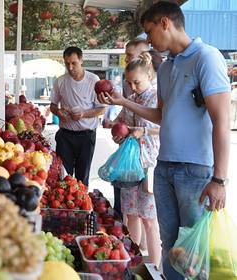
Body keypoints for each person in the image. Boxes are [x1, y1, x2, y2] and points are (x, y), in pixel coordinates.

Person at [98, 2, 230, 279]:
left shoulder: (207, 58)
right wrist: (123, 101)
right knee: (169, 245)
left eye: (149, 31)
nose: (147, 39)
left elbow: (221, 120)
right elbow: (161, 115)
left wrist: (219, 180)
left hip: (196, 171)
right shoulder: (168, 68)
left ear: (165, 23)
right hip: (164, 167)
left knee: (195, 253)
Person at [113, 52, 161, 267]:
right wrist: (118, 133)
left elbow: (164, 127)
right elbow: (117, 122)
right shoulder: (129, 100)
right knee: (130, 213)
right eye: (129, 82)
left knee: (149, 219)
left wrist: (145, 131)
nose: (133, 87)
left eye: (137, 81)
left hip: (148, 164)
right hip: (129, 166)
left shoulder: (158, 97)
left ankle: (155, 266)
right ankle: (133, 261)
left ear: (149, 75)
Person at [50, 46, 106, 187]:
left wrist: (83, 114)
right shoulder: (60, 81)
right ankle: (65, 208)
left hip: (86, 136)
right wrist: (58, 112)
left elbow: (102, 109)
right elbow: (53, 105)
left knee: (83, 177)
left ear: (81, 60)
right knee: (63, 176)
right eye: (67, 63)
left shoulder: (94, 80)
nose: (70, 67)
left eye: (74, 63)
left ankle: (82, 206)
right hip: (65, 136)